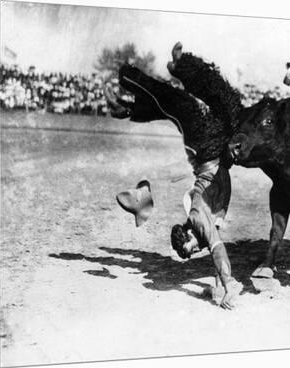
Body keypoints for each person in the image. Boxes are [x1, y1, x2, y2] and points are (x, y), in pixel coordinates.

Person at [105, 42, 243, 309]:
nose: (196, 250)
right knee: (208, 102)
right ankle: (165, 70)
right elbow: (215, 248)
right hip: (211, 148)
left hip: (209, 150)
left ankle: (129, 88)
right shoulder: (202, 221)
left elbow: (215, 247)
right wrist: (220, 286)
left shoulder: (198, 219)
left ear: (190, 235)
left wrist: (223, 285)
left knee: (182, 104)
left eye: (191, 250)